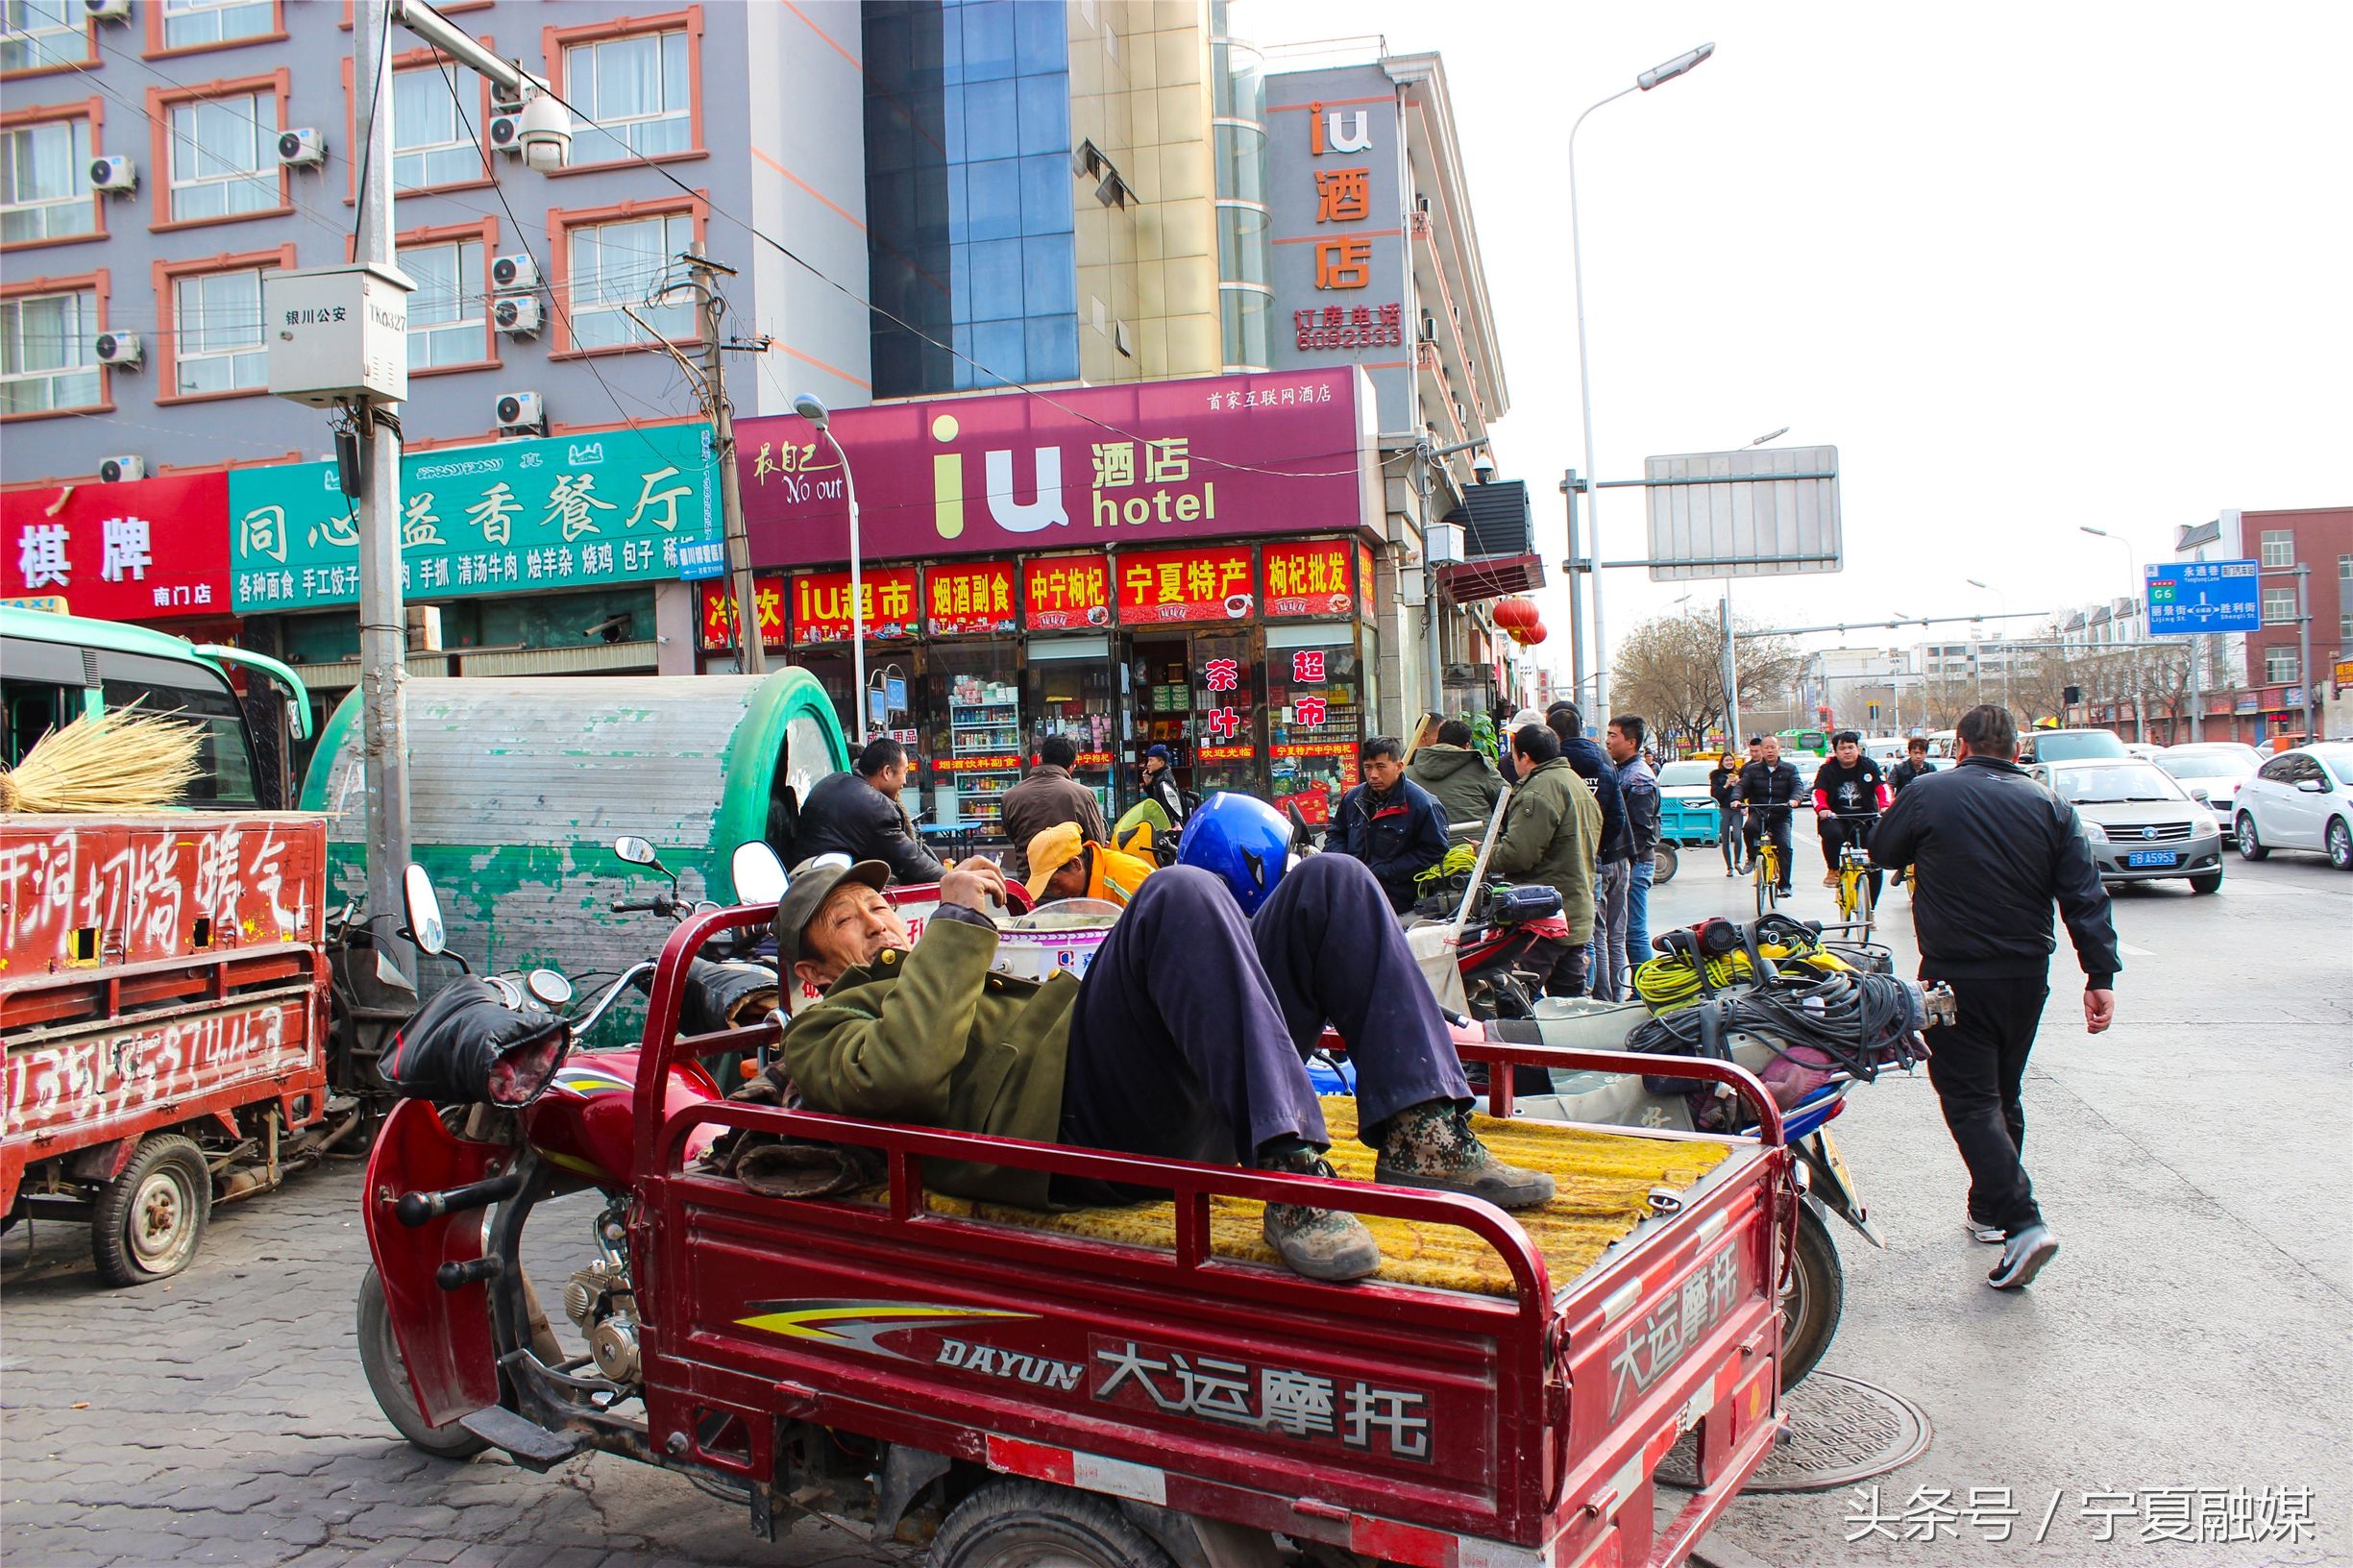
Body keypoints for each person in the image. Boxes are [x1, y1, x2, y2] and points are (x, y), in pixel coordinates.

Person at [775, 851, 1556, 1284]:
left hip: (1150, 1085)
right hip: (1077, 1132)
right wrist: (953, 925)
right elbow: (906, 1073)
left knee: (1333, 882)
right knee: (1177, 892)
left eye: (877, 905)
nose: (876, 919)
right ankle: (1288, 1179)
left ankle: (1424, 1139)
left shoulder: (942, 960)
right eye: (845, 919)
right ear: (811, 974)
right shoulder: (825, 1027)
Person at [1871, 704, 2119, 1291]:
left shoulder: (1930, 791)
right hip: (2027, 976)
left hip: (1954, 976)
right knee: (2004, 1091)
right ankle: (1989, 1211)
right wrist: (2100, 974)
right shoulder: (2052, 806)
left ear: (1960, 745)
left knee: (1970, 1098)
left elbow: (1883, 849)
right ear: (2016, 749)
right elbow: (2085, 897)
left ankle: (2023, 1222)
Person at [1486, 723, 1603, 996]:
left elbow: (1518, 855)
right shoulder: (1575, 783)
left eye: (1514, 756)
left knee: (1517, 999)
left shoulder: (1538, 791)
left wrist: (1484, 855)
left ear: (1525, 756)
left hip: (1544, 919)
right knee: (1568, 1004)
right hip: (1576, 912)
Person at [1549, 704, 1630, 999]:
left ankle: (1587, 996)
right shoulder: (1604, 763)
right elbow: (1617, 818)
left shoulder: (1555, 770)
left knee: (1578, 936)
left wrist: (1581, 849)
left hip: (1571, 865)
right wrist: (1596, 848)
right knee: (1603, 935)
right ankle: (1608, 997)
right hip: (1602, 860)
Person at [795, 737, 944, 885]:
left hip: (803, 878)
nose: (905, 781)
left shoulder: (835, 780)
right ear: (887, 772)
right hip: (826, 890)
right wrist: (952, 877)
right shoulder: (876, 807)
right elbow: (913, 865)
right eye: (904, 772)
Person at [1326, 736, 1450, 915]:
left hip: (1398, 900)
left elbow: (1434, 851)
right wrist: (1345, 865)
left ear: (1399, 767)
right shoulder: (1353, 799)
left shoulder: (1421, 803)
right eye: (1368, 767)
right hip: (1350, 891)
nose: (1373, 775)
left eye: (1380, 767)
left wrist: (1384, 870)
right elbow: (1336, 834)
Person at [1000, 735, 1109, 882]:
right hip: (1073, 889)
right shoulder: (1083, 795)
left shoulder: (1010, 797)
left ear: (1039, 759)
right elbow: (1097, 844)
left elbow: (1013, 836)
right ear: (1072, 766)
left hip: (1030, 888)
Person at [1605, 716, 1661, 993]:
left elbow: (1641, 829)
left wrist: (1626, 859)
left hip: (1637, 862)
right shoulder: (1622, 771)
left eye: (1614, 735)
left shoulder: (1638, 778)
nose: (1608, 740)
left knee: (1634, 931)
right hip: (1629, 861)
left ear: (1631, 742)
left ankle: (1645, 990)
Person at [1810, 728, 1891, 901]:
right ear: (1835, 751)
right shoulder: (1827, 769)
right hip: (1835, 817)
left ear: (1858, 749)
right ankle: (1833, 869)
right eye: (1842, 748)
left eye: (1850, 747)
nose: (1847, 751)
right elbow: (1818, 793)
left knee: (1874, 864)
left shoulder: (1869, 765)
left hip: (1866, 817)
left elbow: (1882, 788)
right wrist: (1823, 809)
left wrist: (1885, 806)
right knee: (1832, 833)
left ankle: (1870, 909)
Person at [1407, 719, 1505, 842]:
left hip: (1425, 853)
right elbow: (1506, 801)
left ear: (1438, 740)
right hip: (1476, 852)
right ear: (1467, 745)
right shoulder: (1482, 768)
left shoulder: (1408, 772)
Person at [1024, 822, 1156, 908]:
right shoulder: (1077, 891)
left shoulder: (1127, 876)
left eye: (1055, 883)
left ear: (1076, 864)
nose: (1056, 891)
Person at [1736, 735, 1801, 898]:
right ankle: (1752, 858)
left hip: (1781, 815)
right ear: (1762, 750)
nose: (1770, 751)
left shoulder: (1790, 769)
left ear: (1779, 748)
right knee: (1749, 828)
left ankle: (1785, 885)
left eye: (1773, 747)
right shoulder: (1752, 770)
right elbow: (1741, 786)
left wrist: (1795, 799)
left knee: (1784, 846)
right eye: (1766, 748)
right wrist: (1736, 799)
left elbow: (1797, 787)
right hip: (1759, 812)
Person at [1708, 750, 1745, 876]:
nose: (1729, 763)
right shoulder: (1716, 775)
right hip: (1723, 809)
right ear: (1722, 762)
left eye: (1731, 760)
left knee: (1738, 836)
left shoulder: (1739, 773)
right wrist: (1726, 785)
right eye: (1727, 760)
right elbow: (1715, 795)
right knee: (1725, 839)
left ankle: (1737, 862)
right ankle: (1729, 867)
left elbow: (1745, 791)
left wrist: (1744, 804)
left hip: (1737, 810)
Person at [1138, 745, 1188, 828]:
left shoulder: (1164, 781)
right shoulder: (1159, 777)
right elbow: (1156, 801)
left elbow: (1167, 810)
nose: (1148, 764)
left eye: (1151, 760)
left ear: (1161, 763)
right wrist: (1149, 785)